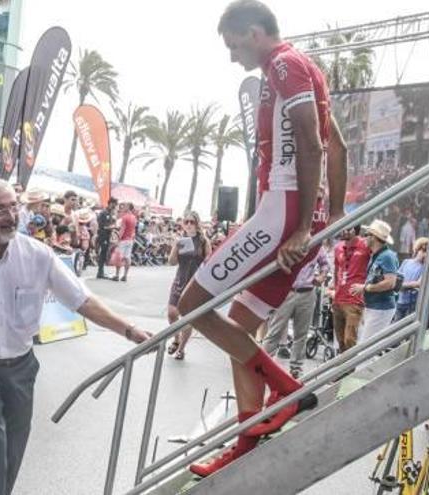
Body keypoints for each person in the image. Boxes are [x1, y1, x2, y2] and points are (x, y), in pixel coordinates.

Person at [178, 0, 347, 477]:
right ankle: (247, 441)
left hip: (282, 213)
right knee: (238, 326)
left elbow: (315, 144)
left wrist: (298, 227)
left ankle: (286, 389)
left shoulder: (284, 66)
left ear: (254, 33)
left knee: (191, 305)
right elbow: (339, 145)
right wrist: (331, 214)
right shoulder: (305, 66)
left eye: (234, 47)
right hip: (295, 215)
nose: (233, 58)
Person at [0, 180, 152, 495]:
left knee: (14, 445)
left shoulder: (38, 255)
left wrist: (129, 330)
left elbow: (82, 300)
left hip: (20, 365)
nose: (10, 215)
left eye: (14, 206)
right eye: (0, 209)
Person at [262, 249, 331, 377]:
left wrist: (322, 276)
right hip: (287, 291)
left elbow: (325, 263)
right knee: (274, 331)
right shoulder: (292, 242)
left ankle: (296, 370)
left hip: (307, 292)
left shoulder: (316, 245)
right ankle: (262, 365)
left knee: (301, 334)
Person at [166, 212, 212, 360]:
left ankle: (181, 348)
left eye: (192, 222)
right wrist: (175, 247)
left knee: (188, 317)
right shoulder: (181, 240)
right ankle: (176, 338)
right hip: (180, 280)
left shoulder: (204, 241)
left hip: (195, 283)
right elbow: (172, 262)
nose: (189, 225)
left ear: (197, 224)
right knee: (172, 313)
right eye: (187, 222)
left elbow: (209, 261)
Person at [353, 220, 400, 343]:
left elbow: (390, 283)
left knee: (364, 348)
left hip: (381, 307)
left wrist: (365, 288)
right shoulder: (377, 255)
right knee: (364, 346)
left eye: (366, 234)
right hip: (374, 306)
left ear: (373, 237)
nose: (363, 238)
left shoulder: (387, 256)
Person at [332, 225, 370, 352]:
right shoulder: (338, 247)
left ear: (355, 231)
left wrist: (366, 288)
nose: (343, 231)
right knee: (340, 340)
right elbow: (336, 270)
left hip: (354, 300)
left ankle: (350, 369)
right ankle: (343, 370)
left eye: (347, 229)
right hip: (338, 299)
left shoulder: (365, 245)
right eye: (343, 228)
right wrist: (334, 289)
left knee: (350, 339)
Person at [395, 237, 429, 321]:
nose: (425, 254)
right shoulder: (406, 262)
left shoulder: (426, 267)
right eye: (423, 251)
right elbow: (397, 278)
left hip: (412, 304)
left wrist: (402, 286)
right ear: (417, 249)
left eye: (427, 252)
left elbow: (419, 283)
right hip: (399, 301)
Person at [112, 203, 137, 282]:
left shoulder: (125, 217)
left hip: (123, 239)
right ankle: (125, 275)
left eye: (125, 206)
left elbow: (122, 230)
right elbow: (133, 230)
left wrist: (118, 239)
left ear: (128, 208)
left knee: (119, 257)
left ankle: (117, 275)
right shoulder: (134, 217)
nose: (124, 207)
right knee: (127, 257)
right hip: (130, 239)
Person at [96, 198, 119, 279]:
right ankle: (100, 272)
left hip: (107, 235)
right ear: (111, 203)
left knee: (104, 253)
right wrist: (112, 227)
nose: (115, 206)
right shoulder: (103, 213)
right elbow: (101, 225)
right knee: (103, 253)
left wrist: (113, 225)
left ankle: (101, 272)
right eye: (115, 204)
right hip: (103, 235)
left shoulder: (111, 213)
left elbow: (111, 223)